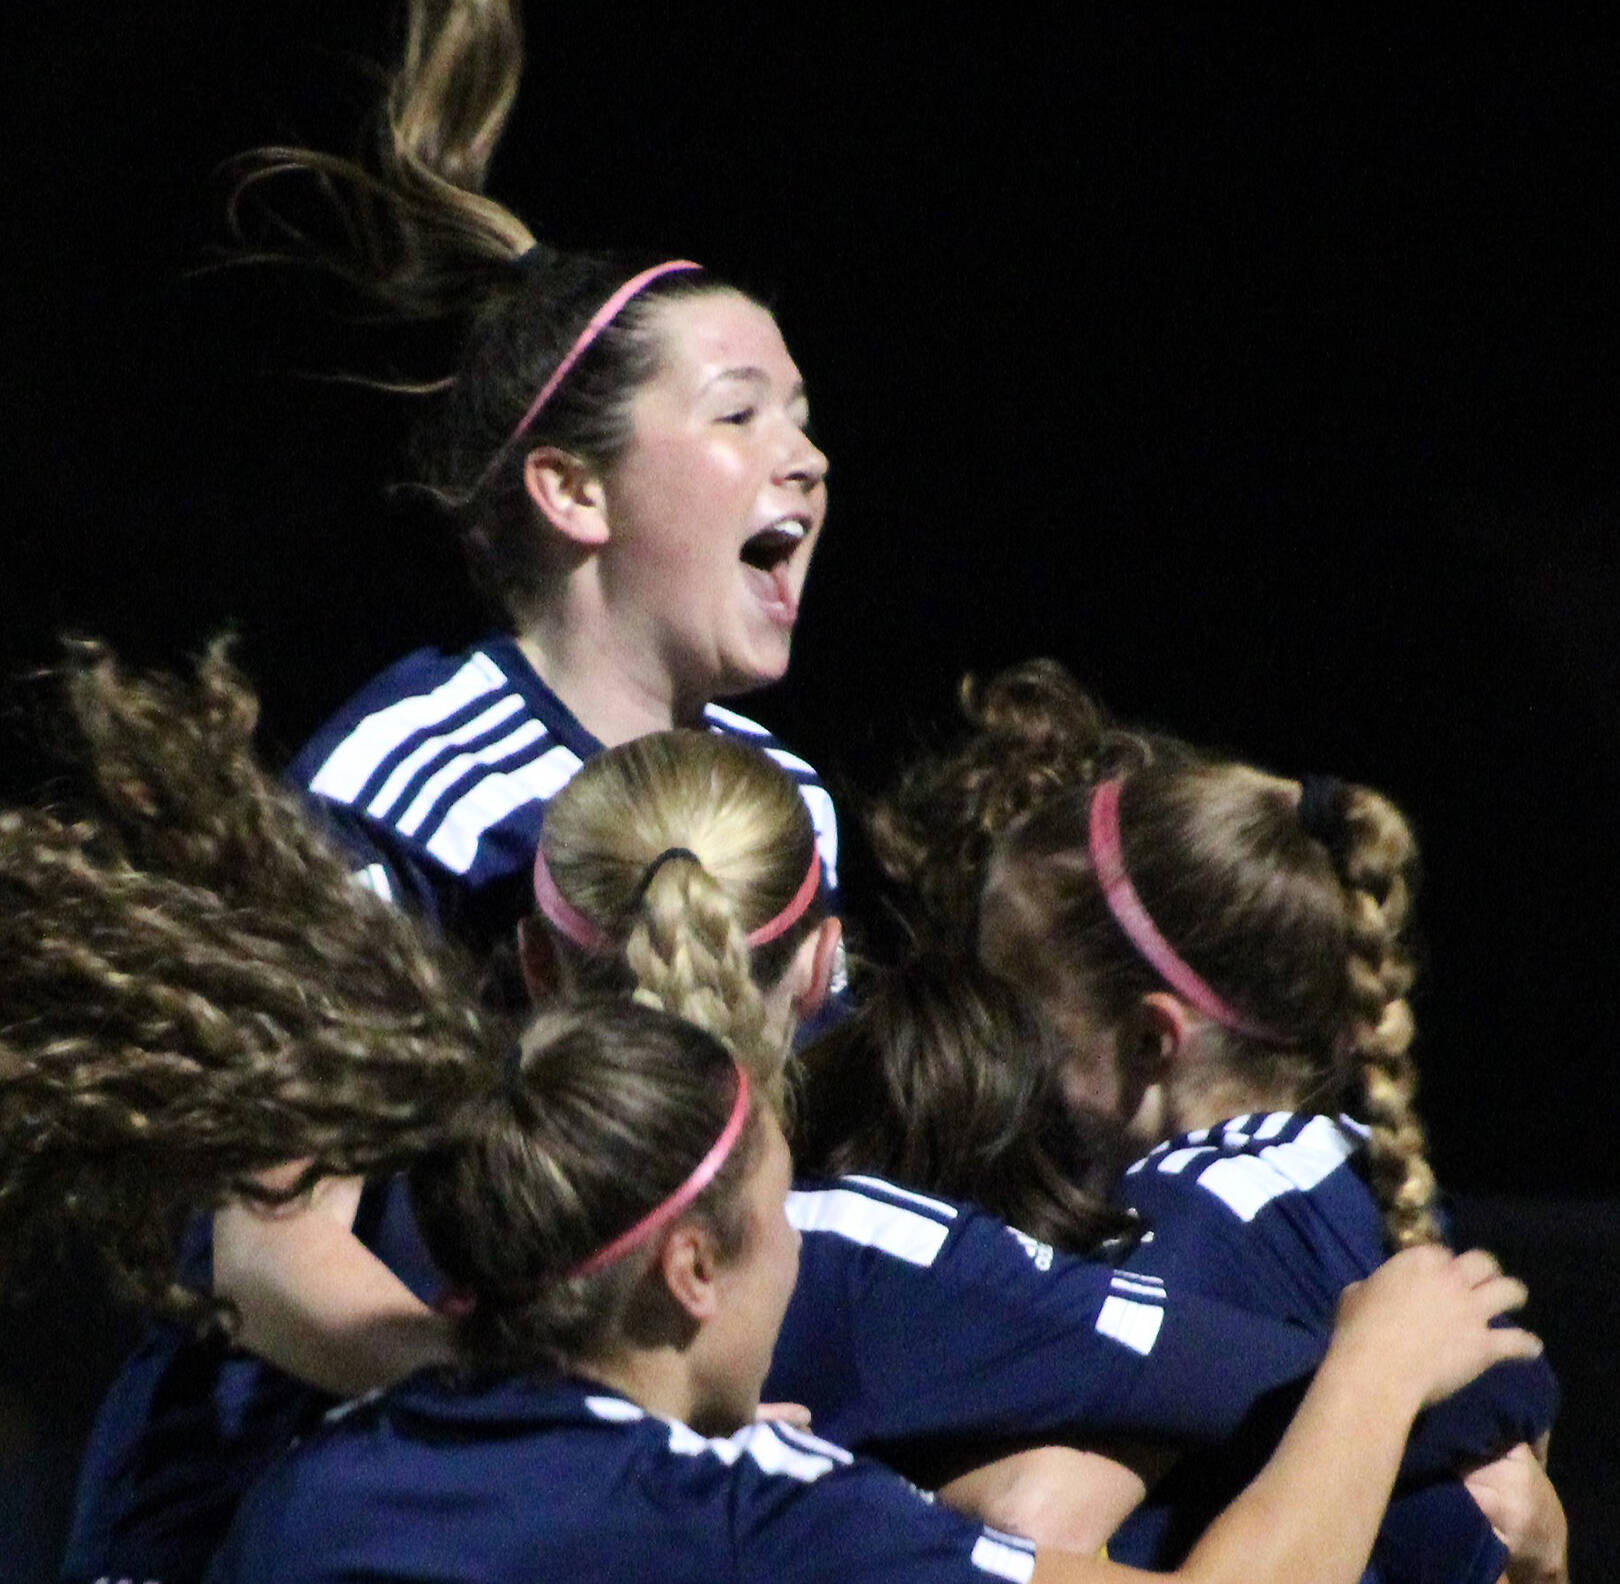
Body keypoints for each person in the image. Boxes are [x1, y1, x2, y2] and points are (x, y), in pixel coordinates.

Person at [203, 999, 1542, 1584]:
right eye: (780, 1209)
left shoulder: (315, 1483)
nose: (801, 1239)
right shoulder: (750, 1522)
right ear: (689, 1271)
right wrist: (1375, 1369)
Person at [839, 657, 1566, 1582]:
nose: (991, 1048)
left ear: (1151, 1042)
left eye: (1016, 1013)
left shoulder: (1210, 1208)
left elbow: (1036, 1522)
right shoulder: (1352, 1171)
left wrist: (833, 1484)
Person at [241, 0, 838, 955]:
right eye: (739, 413)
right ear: (573, 490)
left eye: (802, 421)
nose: (807, 461)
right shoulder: (403, 786)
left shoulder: (791, 803)